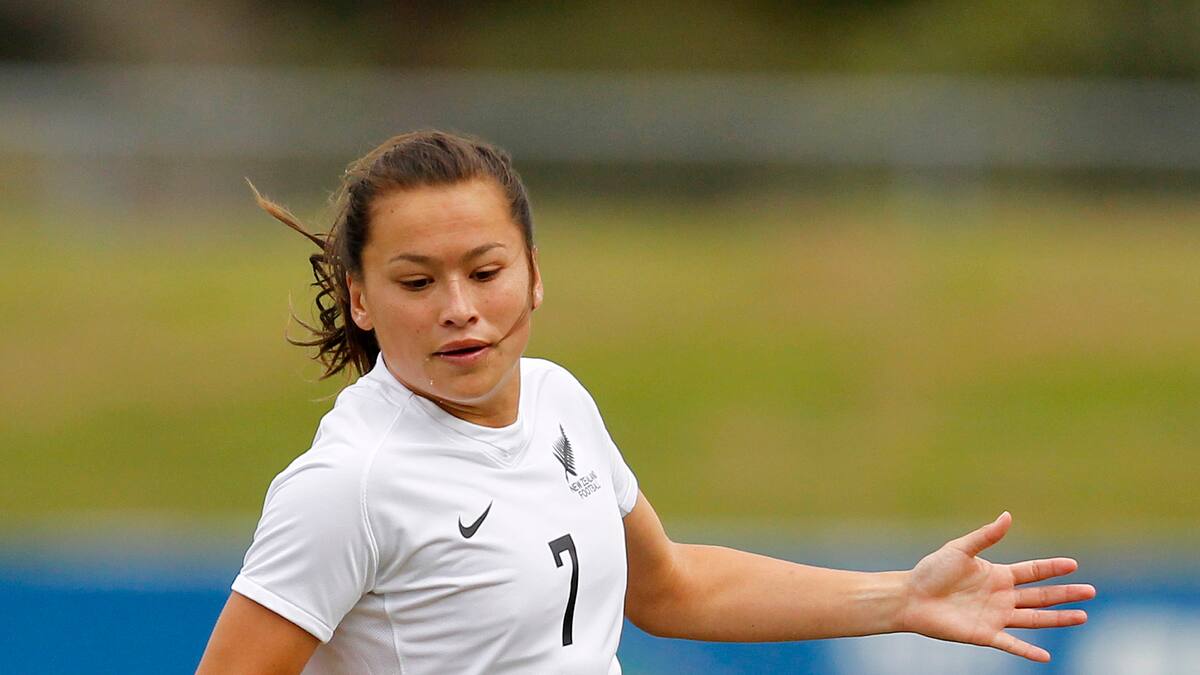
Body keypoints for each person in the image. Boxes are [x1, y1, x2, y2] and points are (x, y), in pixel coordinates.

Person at [197, 130, 1095, 674]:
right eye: (416, 279)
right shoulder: (349, 482)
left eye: (485, 270)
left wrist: (900, 595)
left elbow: (669, 587)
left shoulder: (556, 402)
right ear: (359, 297)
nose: (459, 307)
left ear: (536, 276)